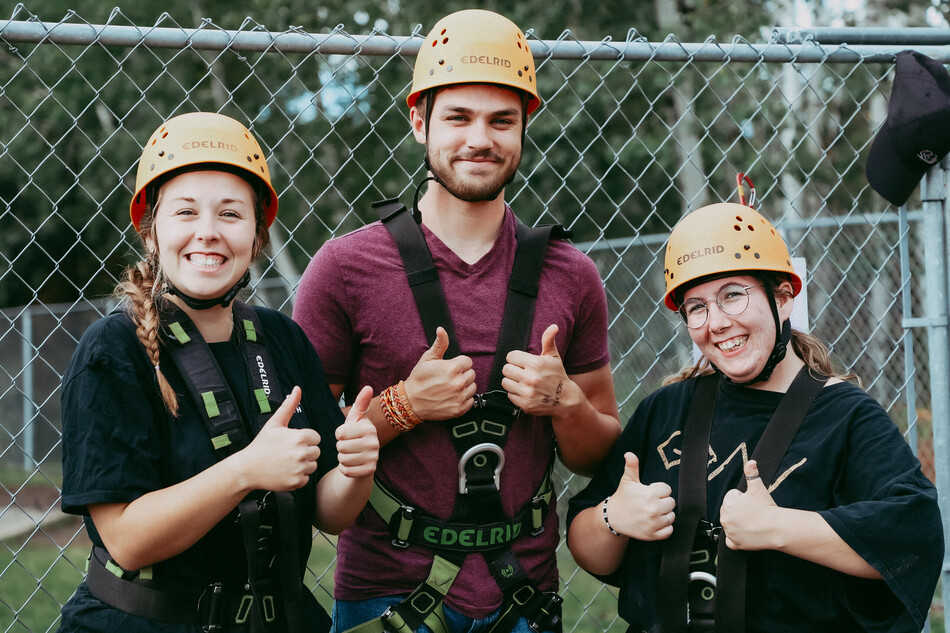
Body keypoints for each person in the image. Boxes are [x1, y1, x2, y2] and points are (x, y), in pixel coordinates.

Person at [292, 9, 621, 633]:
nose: (480, 139)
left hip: (524, 598)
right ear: (419, 121)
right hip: (386, 599)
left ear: (526, 125)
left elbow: (596, 448)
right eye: (458, 118)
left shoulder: (570, 274)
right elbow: (304, 453)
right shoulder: (345, 268)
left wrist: (566, 403)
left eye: (501, 120)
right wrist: (401, 407)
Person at [58, 112, 379, 633]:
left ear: (257, 236)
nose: (207, 233)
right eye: (185, 212)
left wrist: (355, 471)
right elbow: (126, 539)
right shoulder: (114, 349)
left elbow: (328, 512)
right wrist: (246, 469)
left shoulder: (282, 338)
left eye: (231, 214)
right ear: (151, 230)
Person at [566, 201, 943, 632]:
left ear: (782, 297)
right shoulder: (666, 408)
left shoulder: (846, 418)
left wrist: (778, 526)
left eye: (732, 295)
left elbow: (914, 538)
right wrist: (613, 517)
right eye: (697, 307)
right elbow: (583, 544)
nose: (718, 322)